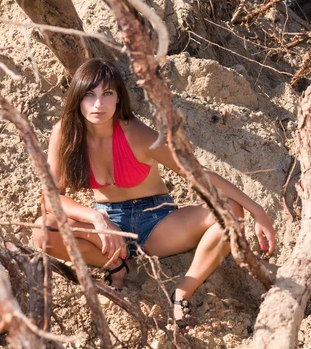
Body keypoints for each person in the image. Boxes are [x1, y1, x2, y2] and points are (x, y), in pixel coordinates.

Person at [33, 58, 276, 328]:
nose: (98, 104)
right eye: (90, 95)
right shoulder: (64, 134)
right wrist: (96, 219)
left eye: (107, 94)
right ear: (77, 97)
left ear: (118, 99)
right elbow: (50, 197)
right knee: (43, 230)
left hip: (158, 223)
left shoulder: (137, 133)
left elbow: (198, 173)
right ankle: (116, 265)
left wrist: (258, 210)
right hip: (108, 229)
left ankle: (183, 292)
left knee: (230, 212)